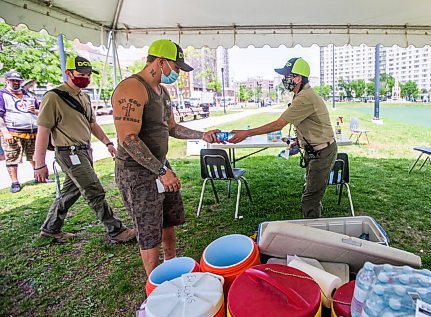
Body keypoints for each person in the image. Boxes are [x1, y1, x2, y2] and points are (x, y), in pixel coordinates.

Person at [112, 39, 220, 277]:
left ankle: (172, 266)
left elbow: (172, 127)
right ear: (160, 62)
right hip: (137, 171)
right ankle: (154, 285)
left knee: (168, 218)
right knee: (148, 227)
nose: (178, 73)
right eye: (176, 67)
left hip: (160, 165)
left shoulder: (162, 91)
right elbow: (128, 139)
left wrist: (202, 135)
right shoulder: (132, 88)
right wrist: (161, 171)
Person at [33, 56, 136, 244]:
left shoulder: (84, 96)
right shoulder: (53, 97)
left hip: (84, 151)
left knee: (70, 192)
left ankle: (50, 228)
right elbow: (43, 131)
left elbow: (92, 123)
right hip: (69, 152)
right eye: (81, 74)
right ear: (68, 73)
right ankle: (116, 230)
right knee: (93, 189)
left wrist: (108, 143)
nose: (86, 78)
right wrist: (39, 164)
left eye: (88, 75)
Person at [229, 57, 337, 218]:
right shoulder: (301, 94)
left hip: (322, 152)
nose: (284, 79)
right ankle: (313, 225)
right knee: (311, 191)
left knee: (310, 199)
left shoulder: (305, 97)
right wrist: (298, 142)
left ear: (298, 78)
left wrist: (246, 133)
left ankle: (314, 233)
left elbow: (278, 125)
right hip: (315, 151)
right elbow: (307, 124)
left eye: (287, 76)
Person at [0, 70, 42, 193]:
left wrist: (35, 111)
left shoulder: (28, 95)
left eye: (18, 81)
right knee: (12, 156)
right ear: (7, 81)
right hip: (12, 131)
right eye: (12, 80)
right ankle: (14, 182)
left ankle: (38, 176)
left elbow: (41, 112)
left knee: (34, 155)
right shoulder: (2, 95)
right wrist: (5, 131)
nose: (15, 83)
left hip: (31, 130)